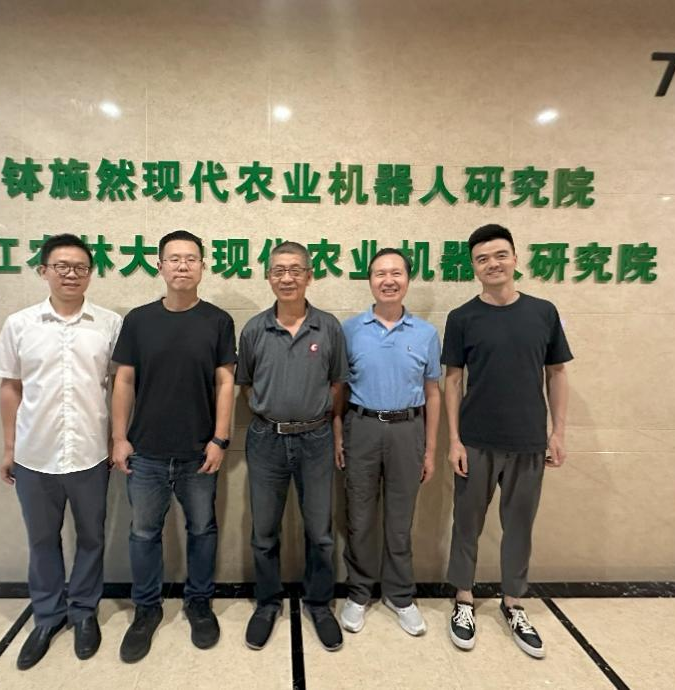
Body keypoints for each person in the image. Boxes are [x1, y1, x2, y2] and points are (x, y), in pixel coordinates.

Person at [0, 233, 122, 670]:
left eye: (80, 267)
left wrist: (117, 437)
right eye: (61, 266)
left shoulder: (109, 324)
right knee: (42, 540)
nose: (71, 274)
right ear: (43, 270)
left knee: (91, 538)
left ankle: (84, 613)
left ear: (90, 273)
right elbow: (10, 387)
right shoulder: (19, 324)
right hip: (34, 455)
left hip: (90, 453)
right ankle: (47, 617)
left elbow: (121, 385)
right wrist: (9, 447)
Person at [442, 224, 572, 659]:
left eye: (500, 255)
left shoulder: (543, 313)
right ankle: (463, 599)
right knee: (466, 524)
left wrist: (558, 432)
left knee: (519, 526)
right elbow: (452, 381)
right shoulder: (462, 318)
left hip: (528, 441)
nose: (492, 264)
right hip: (475, 441)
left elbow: (557, 373)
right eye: (482, 259)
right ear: (473, 267)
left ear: (516, 258)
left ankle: (513, 603)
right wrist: (454, 440)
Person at [110, 230, 236, 663]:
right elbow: (124, 380)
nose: (183, 266)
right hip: (145, 452)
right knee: (143, 533)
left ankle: (199, 603)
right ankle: (146, 610)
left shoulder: (218, 321)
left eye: (191, 259)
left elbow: (225, 382)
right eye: (174, 259)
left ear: (203, 266)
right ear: (159, 265)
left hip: (199, 451)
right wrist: (119, 438)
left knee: (202, 530)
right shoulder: (138, 320)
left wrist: (220, 438)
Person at [236, 241, 348, 652]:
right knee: (264, 531)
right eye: (279, 270)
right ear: (268, 277)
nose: (287, 278)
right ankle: (267, 603)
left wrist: (322, 422)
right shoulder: (254, 329)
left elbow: (337, 384)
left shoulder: (329, 327)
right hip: (266, 439)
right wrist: (273, 413)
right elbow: (245, 385)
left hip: (316, 439)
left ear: (309, 275)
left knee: (320, 532)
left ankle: (319, 603)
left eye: (295, 270)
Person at [334, 248, 441, 637]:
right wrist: (338, 434)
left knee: (399, 520)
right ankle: (359, 592)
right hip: (361, 426)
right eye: (380, 273)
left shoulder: (426, 334)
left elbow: (433, 392)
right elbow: (339, 389)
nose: (388, 280)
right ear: (370, 281)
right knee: (359, 517)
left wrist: (430, 449)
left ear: (408, 280)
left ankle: (400, 595)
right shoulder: (349, 330)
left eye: (396, 273)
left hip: (407, 430)